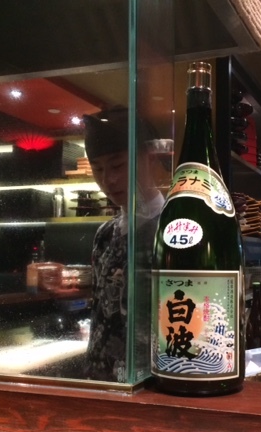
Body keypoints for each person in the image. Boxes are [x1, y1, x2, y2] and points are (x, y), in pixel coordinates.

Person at [81, 107, 165, 382]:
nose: (108, 180)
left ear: (150, 159)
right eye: (98, 169)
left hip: (151, 382)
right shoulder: (104, 234)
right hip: (100, 382)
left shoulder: (173, 229)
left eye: (117, 166)